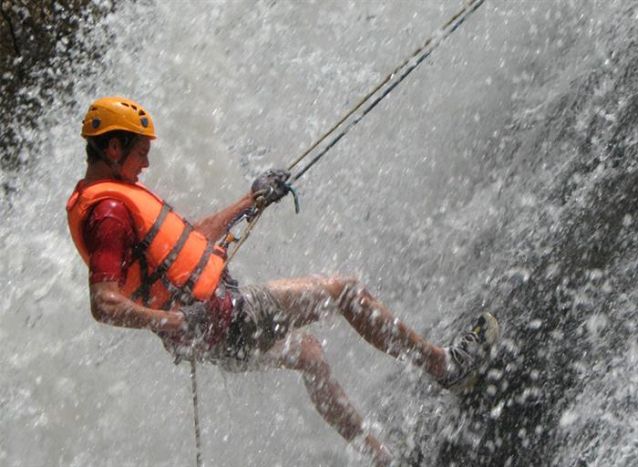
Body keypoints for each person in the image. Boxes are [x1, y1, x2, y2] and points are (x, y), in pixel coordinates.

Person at [66, 96, 500, 466]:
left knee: (308, 353)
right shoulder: (109, 213)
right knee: (344, 291)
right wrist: (173, 322)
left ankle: (381, 458)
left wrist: (250, 201)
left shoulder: (113, 199)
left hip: (212, 332)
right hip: (226, 317)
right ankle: (447, 367)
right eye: (141, 151)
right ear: (115, 147)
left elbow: (193, 238)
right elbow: (103, 303)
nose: (146, 161)